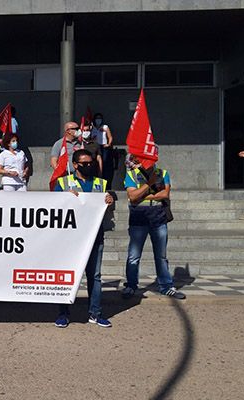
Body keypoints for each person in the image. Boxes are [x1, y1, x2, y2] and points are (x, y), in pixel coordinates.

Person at [53, 149, 113, 328]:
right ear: (75, 165)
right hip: (69, 239)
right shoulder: (64, 182)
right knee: (65, 275)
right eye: (84, 163)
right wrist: (65, 198)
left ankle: (95, 312)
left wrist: (110, 201)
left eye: (90, 163)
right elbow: (53, 205)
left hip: (94, 236)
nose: (88, 166)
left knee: (94, 275)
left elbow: (106, 208)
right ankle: (63, 313)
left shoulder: (100, 183)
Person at [121, 154, 186, 300]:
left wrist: (142, 196)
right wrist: (148, 185)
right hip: (139, 217)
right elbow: (132, 196)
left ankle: (166, 286)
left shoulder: (162, 173)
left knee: (161, 256)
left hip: (158, 216)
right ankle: (131, 285)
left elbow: (165, 194)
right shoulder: (132, 174)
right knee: (133, 256)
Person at [92, 113, 115, 185]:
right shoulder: (92, 127)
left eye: (99, 118)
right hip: (95, 146)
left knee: (104, 162)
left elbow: (110, 137)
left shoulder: (105, 127)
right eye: (97, 118)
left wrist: (108, 144)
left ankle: (104, 178)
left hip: (104, 146)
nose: (98, 120)